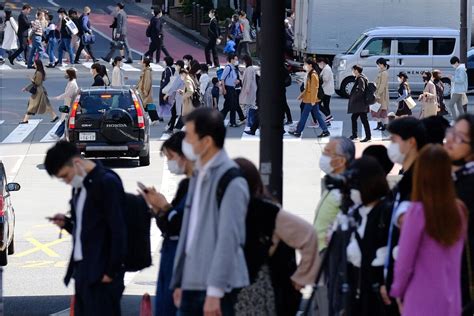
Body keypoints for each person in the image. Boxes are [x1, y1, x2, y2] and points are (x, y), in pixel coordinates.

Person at [171, 108, 250, 316]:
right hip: (192, 283)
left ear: (206, 142)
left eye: (188, 136)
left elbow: (229, 239)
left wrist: (214, 292)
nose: (184, 142)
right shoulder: (199, 173)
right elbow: (189, 231)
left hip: (218, 288)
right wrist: (179, 280)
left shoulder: (231, 180)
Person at [44, 141, 127, 315]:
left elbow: (118, 230)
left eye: (66, 175)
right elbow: (86, 229)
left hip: (102, 274)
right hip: (83, 272)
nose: (67, 181)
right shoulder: (79, 187)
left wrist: (110, 272)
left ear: (77, 163)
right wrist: (67, 224)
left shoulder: (107, 182)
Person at [233, 158, 318, 316]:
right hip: (237, 288)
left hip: (259, 289)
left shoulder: (267, 211)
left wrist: (300, 278)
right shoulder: (229, 208)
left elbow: (309, 236)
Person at [390, 144, 466, 316]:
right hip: (452, 299)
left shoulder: (417, 213)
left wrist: (397, 291)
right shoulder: (459, 209)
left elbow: (404, 261)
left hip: (420, 298)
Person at [139, 132, 192, 316]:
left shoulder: (203, 185)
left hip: (185, 263)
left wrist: (164, 207)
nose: (169, 163)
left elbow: (183, 224)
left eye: (170, 157)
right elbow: (170, 225)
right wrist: (157, 208)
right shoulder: (186, 185)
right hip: (172, 258)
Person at [383, 117, 427, 314]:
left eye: (393, 140)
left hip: (412, 287)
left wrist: (398, 286)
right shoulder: (407, 180)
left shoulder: (419, 182)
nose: (390, 145)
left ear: (411, 143)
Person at [311, 137, 355, 315]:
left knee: (332, 302)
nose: (323, 156)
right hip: (323, 254)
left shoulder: (347, 189)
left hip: (332, 255)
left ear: (342, 160)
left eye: (328, 153)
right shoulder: (333, 183)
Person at [345, 156, 392, 316]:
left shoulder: (385, 213)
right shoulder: (357, 212)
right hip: (358, 293)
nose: (351, 190)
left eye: (354, 185)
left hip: (377, 298)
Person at [444, 114, 474, 315]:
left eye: (460, 138)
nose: (451, 141)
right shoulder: (451, 176)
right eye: (452, 133)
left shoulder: (469, 185)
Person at [290, 58, 330, 138]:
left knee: (304, 116)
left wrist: (312, 100)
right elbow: (307, 88)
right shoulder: (310, 74)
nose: (304, 66)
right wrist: (301, 96)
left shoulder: (313, 75)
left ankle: (298, 131)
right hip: (311, 99)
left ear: (310, 65)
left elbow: (314, 89)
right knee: (317, 115)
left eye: (305, 64)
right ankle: (325, 131)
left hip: (311, 100)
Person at [20, 60, 58, 124]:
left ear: (37, 64)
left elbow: (37, 83)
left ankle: (25, 120)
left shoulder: (38, 73)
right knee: (47, 104)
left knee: (32, 105)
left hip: (38, 92)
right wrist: (26, 88)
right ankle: (54, 116)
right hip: (41, 90)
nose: (33, 64)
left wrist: (31, 79)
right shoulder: (39, 72)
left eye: (34, 63)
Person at [220, 54, 246, 127]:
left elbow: (231, 78)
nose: (236, 61)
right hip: (228, 89)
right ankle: (230, 122)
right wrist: (224, 89)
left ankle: (231, 122)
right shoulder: (228, 67)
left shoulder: (233, 68)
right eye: (235, 59)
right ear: (231, 59)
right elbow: (222, 78)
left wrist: (236, 81)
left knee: (231, 106)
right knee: (230, 106)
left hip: (232, 88)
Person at [53, 68, 79, 139]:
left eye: (66, 73)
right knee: (66, 119)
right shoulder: (71, 82)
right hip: (69, 103)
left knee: (66, 119)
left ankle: (58, 134)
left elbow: (67, 94)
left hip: (71, 103)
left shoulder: (72, 84)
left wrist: (59, 97)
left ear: (70, 74)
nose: (65, 74)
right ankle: (58, 134)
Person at [348, 65, 370, 142]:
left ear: (356, 70)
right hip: (360, 104)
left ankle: (367, 136)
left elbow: (361, 90)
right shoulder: (361, 78)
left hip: (361, 104)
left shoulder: (360, 79)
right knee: (354, 118)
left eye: (353, 70)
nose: (353, 71)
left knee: (364, 120)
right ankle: (355, 135)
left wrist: (355, 97)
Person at [165, 60, 185, 132]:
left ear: (179, 66)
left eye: (176, 65)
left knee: (176, 113)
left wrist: (167, 94)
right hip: (179, 96)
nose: (175, 67)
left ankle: (172, 128)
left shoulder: (181, 76)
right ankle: (171, 127)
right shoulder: (181, 74)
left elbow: (174, 86)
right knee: (174, 112)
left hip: (180, 96)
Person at [239, 55, 258, 128]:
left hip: (249, 90)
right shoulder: (249, 68)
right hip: (250, 89)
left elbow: (249, 79)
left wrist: (247, 89)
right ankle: (249, 120)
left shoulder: (249, 69)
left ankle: (250, 121)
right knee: (249, 105)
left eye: (244, 61)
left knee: (249, 105)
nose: (243, 63)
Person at [372, 58, 389, 131]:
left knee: (383, 111)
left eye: (378, 64)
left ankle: (385, 125)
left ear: (382, 64)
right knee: (376, 110)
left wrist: (378, 94)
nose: (377, 66)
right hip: (378, 94)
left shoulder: (384, 73)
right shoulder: (381, 72)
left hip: (382, 96)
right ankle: (379, 124)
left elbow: (382, 85)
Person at [317, 57, 335, 124]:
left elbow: (325, 79)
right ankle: (328, 119)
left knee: (318, 104)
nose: (319, 65)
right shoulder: (326, 68)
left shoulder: (327, 69)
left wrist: (319, 78)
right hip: (327, 90)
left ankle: (328, 116)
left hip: (326, 90)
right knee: (326, 105)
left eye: (319, 63)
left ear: (322, 62)